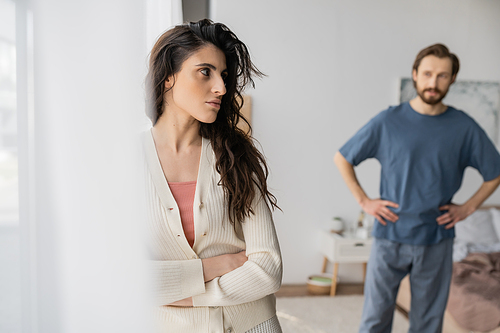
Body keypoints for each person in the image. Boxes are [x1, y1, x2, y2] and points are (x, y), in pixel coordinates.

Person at [334, 43, 500, 333]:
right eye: (427, 74)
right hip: (389, 236)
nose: (433, 82)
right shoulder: (388, 121)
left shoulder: (464, 127)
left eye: (442, 76)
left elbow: (494, 172)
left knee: (426, 326)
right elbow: (343, 158)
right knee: (374, 321)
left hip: (436, 239)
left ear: (452, 79)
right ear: (415, 74)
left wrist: (468, 207)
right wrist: (365, 201)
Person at [142, 19, 282, 333]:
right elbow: (124, 278)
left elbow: (268, 269)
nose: (220, 87)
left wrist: (187, 295)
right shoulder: (125, 163)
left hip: (252, 325)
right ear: (167, 77)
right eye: (205, 72)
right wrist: (215, 266)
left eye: (223, 76)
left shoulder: (236, 155)